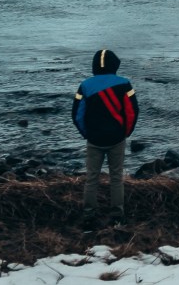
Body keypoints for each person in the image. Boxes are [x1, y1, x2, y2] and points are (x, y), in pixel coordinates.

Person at [71, 49, 139, 226]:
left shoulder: (85, 85)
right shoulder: (125, 84)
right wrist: (126, 133)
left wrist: (87, 134)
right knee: (116, 178)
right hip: (117, 139)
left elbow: (77, 115)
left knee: (91, 179)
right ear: (115, 65)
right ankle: (117, 216)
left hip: (94, 140)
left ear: (94, 66)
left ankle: (89, 217)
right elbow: (132, 112)